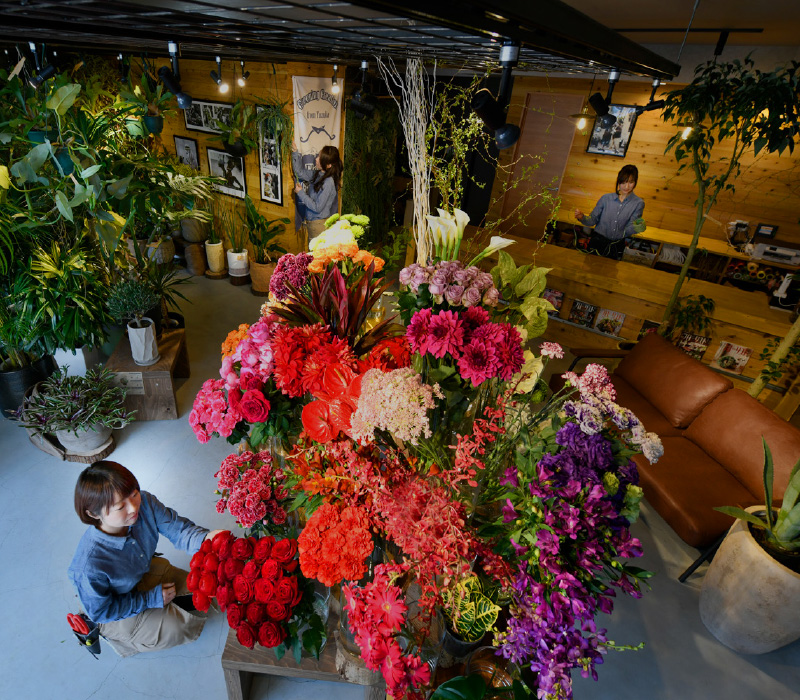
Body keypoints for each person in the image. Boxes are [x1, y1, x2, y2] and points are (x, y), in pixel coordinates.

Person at [68, 461, 224, 657]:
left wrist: (209, 540)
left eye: (134, 494)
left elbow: (181, 531)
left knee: (207, 593)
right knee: (179, 628)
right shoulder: (88, 566)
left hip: (139, 571)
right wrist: (150, 599)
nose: (133, 507)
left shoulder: (146, 503)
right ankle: (117, 638)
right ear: (93, 513)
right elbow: (102, 611)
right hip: (109, 607)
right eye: (119, 506)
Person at [574, 164, 646, 260]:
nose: (626, 186)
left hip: (616, 246)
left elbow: (629, 229)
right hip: (597, 242)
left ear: (635, 182)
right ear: (618, 182)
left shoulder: (638, 203)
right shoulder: (606, 198)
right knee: (588, 271)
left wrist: (637, 228)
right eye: (623, 182)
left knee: (610, 273)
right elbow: (592, 220)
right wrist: (582, 217)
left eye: (630, 182)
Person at [292, 145, 343, 248]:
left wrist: (301, 193)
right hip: (313, 224)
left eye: (320, 158)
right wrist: (295, 152)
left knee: (316, 259)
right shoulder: (318, 174)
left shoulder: (328, 182)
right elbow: (299, 172)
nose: (316, 159)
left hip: (318, 226)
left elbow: (317, 207)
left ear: (328, 165)